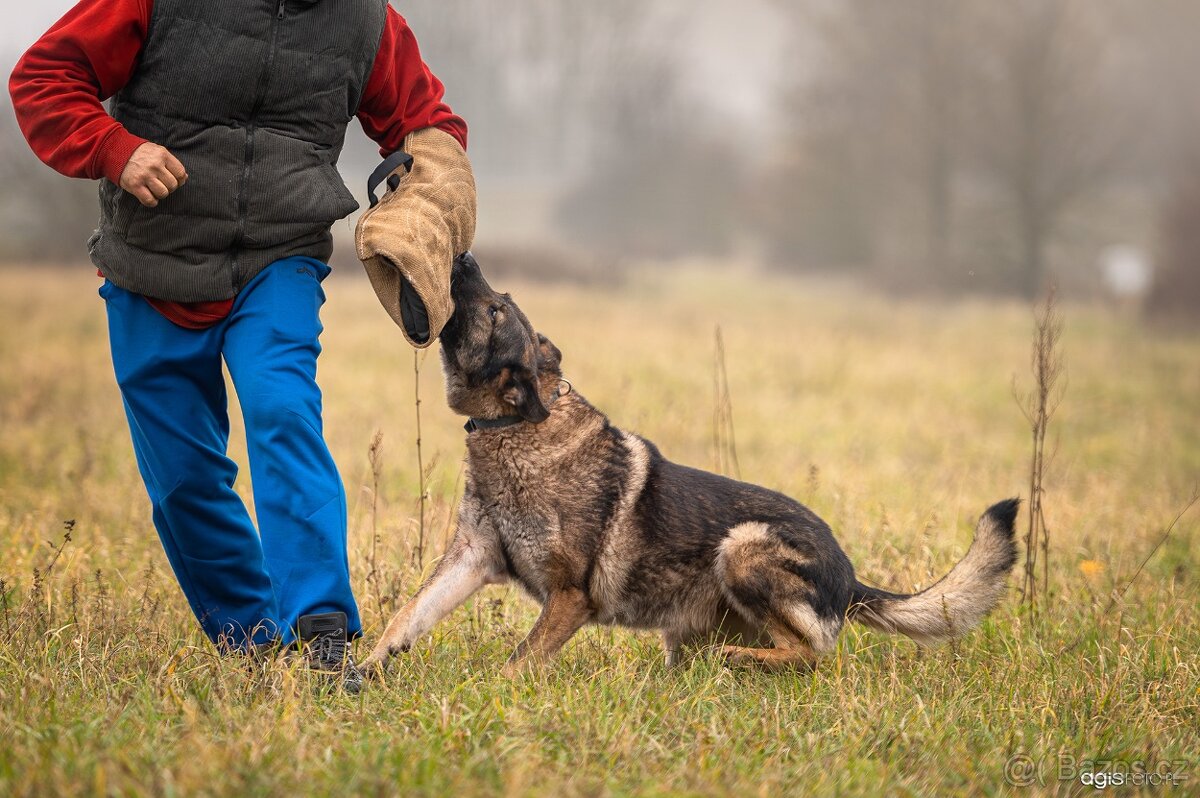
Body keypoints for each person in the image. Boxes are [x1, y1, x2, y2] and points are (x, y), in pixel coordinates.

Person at [9, 0, 477, 692]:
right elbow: (44, 78)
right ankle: (253, 639)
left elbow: (428, 125)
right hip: (151, 261)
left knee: (283, 410)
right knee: (184, 477)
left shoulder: (365, 20)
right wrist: (116, 149)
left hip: (279, 258)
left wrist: (432, 187)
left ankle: (320, 633)